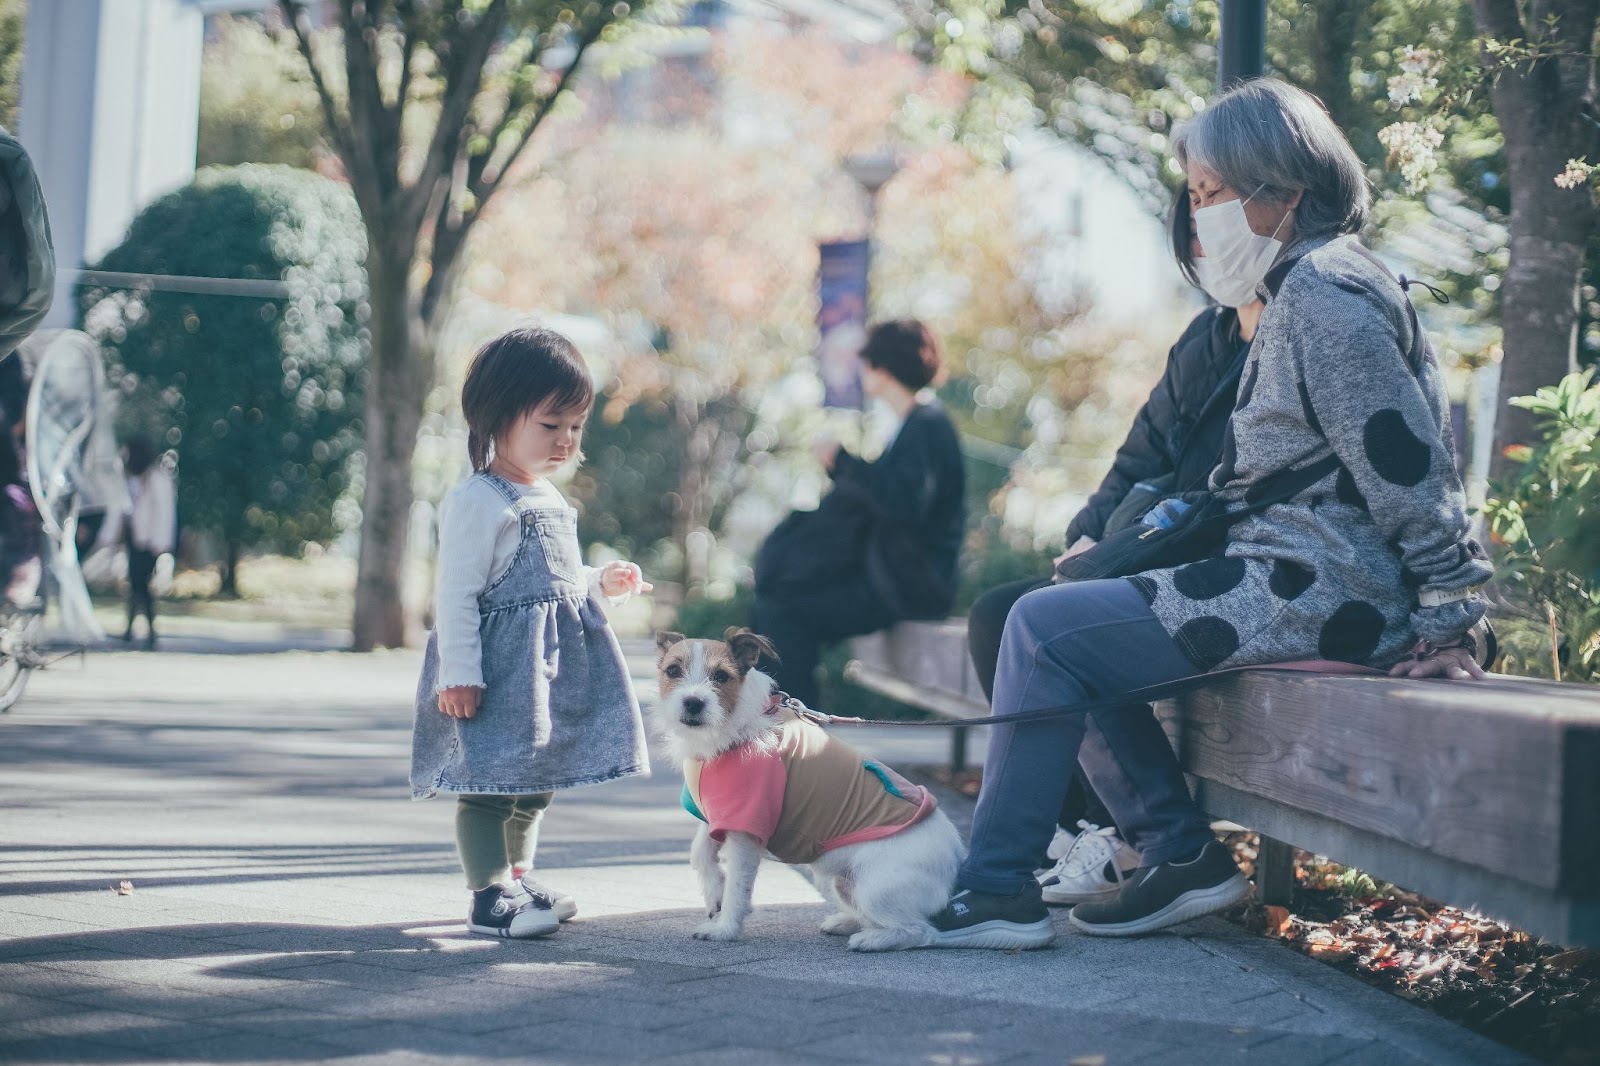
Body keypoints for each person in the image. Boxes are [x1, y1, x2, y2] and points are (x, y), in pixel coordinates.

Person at [927, 79, 1493, 951]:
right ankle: (1174, 854)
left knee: (1043, 627)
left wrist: (1453, 620)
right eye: (1193, 195)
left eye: (1212, 193)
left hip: (1321, 586)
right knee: (1062, 623)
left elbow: (1408, 466)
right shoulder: (1301, 290)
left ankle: (999, 887)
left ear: (1284, 190)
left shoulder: (1325, 295)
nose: (1200, 217)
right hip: (1289, 576)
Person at [968, 194, 1265, 907]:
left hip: (1225, 559)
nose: (1206, 238)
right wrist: (1090, 534)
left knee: (1052, 626)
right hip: (1163, 548)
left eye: (1217, 213)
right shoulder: (1207, 338)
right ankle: (1097, 835)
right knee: (1005, 612)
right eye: (1192, 223)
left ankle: (1146, 840)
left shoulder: (1298, 333)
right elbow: (1140, 456)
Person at [412, 326, 653, 939]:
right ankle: (488, 897)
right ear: (497, 418)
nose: (565, 440)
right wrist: (459, 673)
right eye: (550, 425)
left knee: (534, 785)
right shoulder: (477, 500)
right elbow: (457, 596)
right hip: (496, 673)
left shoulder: (548, 498)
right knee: (490, 784)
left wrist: (603, 582)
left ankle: (519, 877)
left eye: (575, 426)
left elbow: (559, 582)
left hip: (544, 676)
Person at [752, 319, 965, 709]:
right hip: (890, 577)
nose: (861, 371)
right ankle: (782, 730)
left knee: (785, 611)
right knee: (775, 600)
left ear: (882, 369)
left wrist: (844, 461)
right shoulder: (914, 425)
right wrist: (841, 467)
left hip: (909, 584)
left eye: (865, 364)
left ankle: (796, 737)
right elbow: (887, 493)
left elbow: (904, 505)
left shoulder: (928, 424)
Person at [95, 436, 176, 648]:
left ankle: (144, 632)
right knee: (136, 585)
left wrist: (161, 543)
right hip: (134, 539)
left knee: (141, 586)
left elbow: (164, 512)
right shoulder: (130, 477)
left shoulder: (155, 477)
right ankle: (135, 630)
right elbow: (119, 509)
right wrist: (108, 537)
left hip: (148, 541)